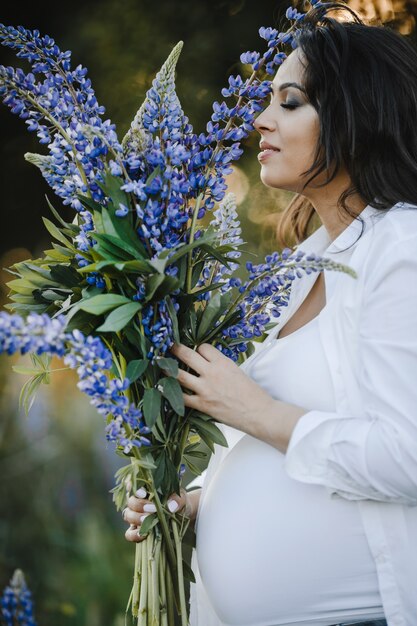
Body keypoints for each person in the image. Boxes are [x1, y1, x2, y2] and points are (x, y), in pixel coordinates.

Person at [123, 3, 417, 625]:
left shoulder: (403, 249)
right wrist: (202, 504)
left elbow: (406, 455)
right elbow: (284, 451)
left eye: (289, 101)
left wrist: (254, 411)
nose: (259, 120)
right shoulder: (299, 267)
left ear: (356, 113)